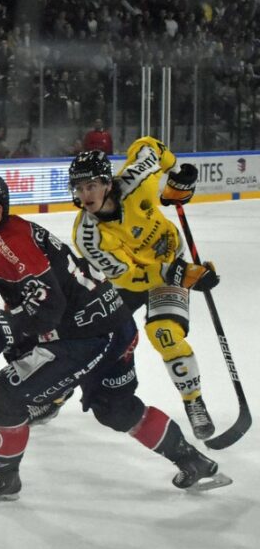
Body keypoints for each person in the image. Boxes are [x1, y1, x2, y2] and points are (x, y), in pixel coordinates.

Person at [0, 172, 229, 501]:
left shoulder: (7, 245)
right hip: (113, 323)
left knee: (3, 397)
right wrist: (8, 331)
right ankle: (192, 460)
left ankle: (3, 477)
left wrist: (2, 327)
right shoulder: (2, 237)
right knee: (116, 408)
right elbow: (35, 301)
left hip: (86, 336)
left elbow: (48, 306)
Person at [69, 138, 218, 439]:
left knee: (164, 334)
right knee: (88, 332)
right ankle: (58, 394)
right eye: (79, 188)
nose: (85, 195)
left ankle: (194, 401)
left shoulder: (136, 181)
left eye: (91, 186)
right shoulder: (88, 236)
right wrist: (181, 274)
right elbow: (128, 278)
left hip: (169, 260)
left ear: (107, 183)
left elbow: (150, 146)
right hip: (137, 278)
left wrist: (176, 175)